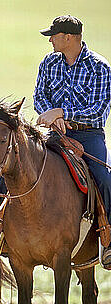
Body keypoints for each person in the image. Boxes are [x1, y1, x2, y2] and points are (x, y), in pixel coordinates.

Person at [34, 15, 111, 268]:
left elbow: (99, 112)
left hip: (87, 135)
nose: (50, 41)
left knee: (104, 177)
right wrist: (51, 116)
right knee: (18, 162)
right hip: (55, 133)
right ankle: (0, 230)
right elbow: (39, 97)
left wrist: (63, 113)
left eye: (53, 36)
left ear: (68, 37)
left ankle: (108, 240)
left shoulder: (100, 67)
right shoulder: (48, 63)